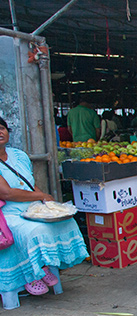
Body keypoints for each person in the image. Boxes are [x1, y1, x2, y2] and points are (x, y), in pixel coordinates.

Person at [0, 117, 88, 305]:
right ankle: (33, 273)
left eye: (2, 128)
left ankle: (44, 266)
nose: (0, 132)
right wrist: (41, 196)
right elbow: (6, 193)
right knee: (35, 231)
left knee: (66, 221)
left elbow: (30, 183)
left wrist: (46, 199)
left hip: (31, 206)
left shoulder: (19, 155)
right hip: (6, 213)